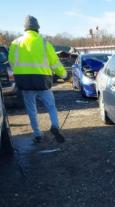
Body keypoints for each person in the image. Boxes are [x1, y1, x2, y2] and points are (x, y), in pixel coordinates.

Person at [8, 15, 66, 143]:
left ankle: (37, 134)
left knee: (31, 109)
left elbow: (12, 62)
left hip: (25, 82)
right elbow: (55, 63)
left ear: (25, 28)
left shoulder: (15, 43)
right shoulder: (44, 43)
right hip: (42, 81)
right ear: (37, 28)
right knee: (51, 106)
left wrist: (21, 71)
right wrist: (64, 75)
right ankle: (55, 126)